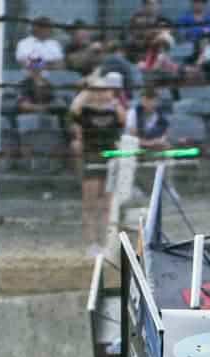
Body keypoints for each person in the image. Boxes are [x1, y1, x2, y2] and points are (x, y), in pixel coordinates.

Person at [70, 70, 124, 256]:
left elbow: (123, 120)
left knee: (107, 205)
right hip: (91, 158)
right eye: (97, 90)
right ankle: (91, 244)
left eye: (104, 89)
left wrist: (111, 99)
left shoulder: (114, 109)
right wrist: (87, 90)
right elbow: (73, 111)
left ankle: (106, 242)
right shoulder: (85, 111)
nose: (100, 93)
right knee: (90, 205)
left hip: (110, 160)